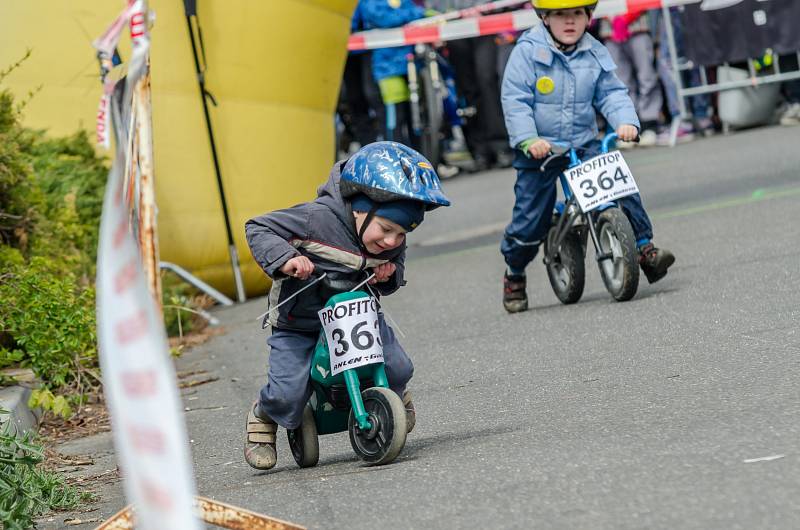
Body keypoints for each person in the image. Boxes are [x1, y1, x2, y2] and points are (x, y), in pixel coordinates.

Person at [243, 142, 451, 470]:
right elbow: (258, 227)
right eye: (386, 229)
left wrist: (389, 273)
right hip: (301, 322)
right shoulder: (316, 220)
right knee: (287, 391)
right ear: (359, 209)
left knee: (398, 367)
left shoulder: (388, 239)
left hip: (357, 316)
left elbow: (395, 269)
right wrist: (287, 259)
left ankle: (390, 396)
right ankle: (264, 414)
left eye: (402, 234)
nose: (392, 242)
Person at [499, 0, 675, 313]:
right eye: (561, 15)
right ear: (545, 18)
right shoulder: (527, 51)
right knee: (530, 220)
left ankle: (643, 247)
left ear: (589, 16)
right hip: (540, 149)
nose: (570, 22)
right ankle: (515, 273)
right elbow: (516, 101)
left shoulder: (594, 51)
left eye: (577, 14)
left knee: (619, 188)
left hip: (581, 142)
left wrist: (626, 121)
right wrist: (529, 139)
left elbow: (611, 92)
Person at [598, 10, 663, 146]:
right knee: (619, 82)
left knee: (647, 77)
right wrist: (610, 17)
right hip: (610, 32)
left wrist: (627, 17)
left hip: (638, 27)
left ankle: (649, 124)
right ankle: (629, 126)